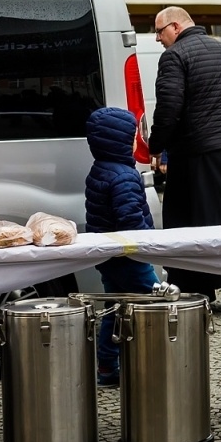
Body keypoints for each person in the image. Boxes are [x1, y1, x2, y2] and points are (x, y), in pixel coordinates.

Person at [147, 6, 221, 311]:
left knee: (193, 227)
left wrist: (155, 146)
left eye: (159, 32)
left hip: (197, 158)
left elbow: (169, 107)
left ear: (174, 27)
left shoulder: (174, 56)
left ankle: (201, 294)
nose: (157, 39)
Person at [85, 106, 157, 386]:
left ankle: (106, 365)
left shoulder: (100, 168)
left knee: (114, 307)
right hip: (129, 257)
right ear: (120, 141)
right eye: (132, 136)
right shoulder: (123, 176)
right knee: (153, 303)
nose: (135, 140)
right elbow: (130, 220)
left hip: (108, 255)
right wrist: (146, 245)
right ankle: (149, 361)